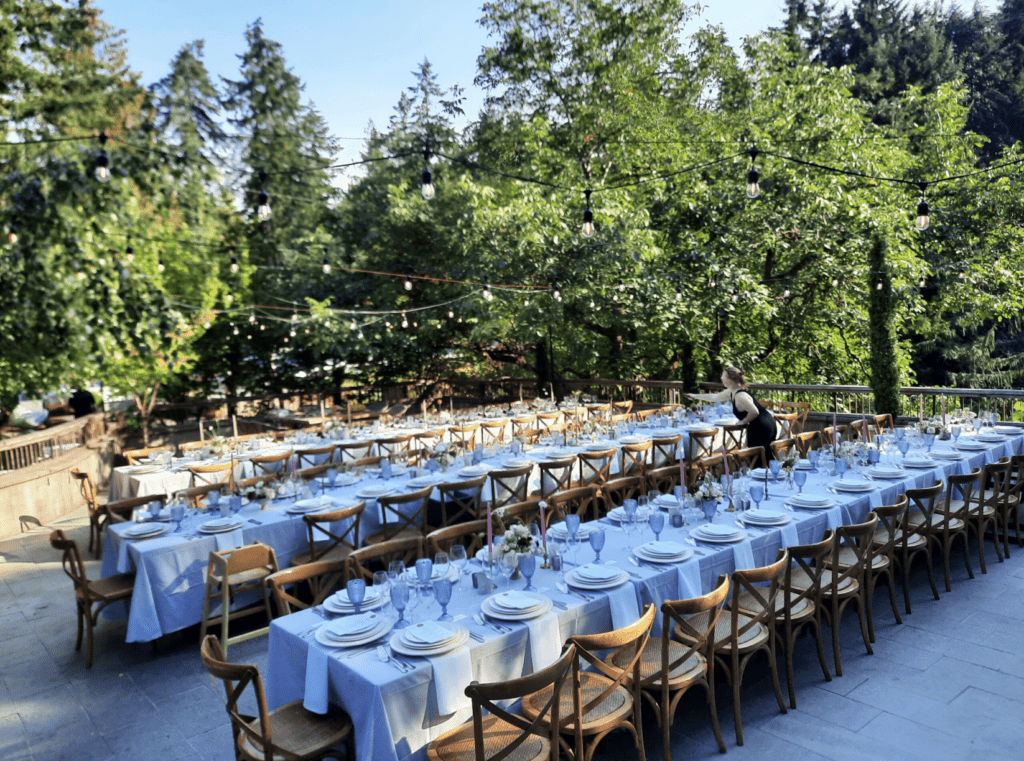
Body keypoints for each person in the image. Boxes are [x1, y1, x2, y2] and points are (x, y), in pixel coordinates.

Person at [685, 366, 778, 460]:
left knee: (759, 459)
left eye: (723, 376)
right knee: (765, 457)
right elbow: (715, 397)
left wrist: (742, 422)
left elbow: (754, 411)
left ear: (730, 380)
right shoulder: (733, 391)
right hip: (765, 423)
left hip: (761, 427)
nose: (721, 378)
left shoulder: (740, 395)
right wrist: (695, 396)